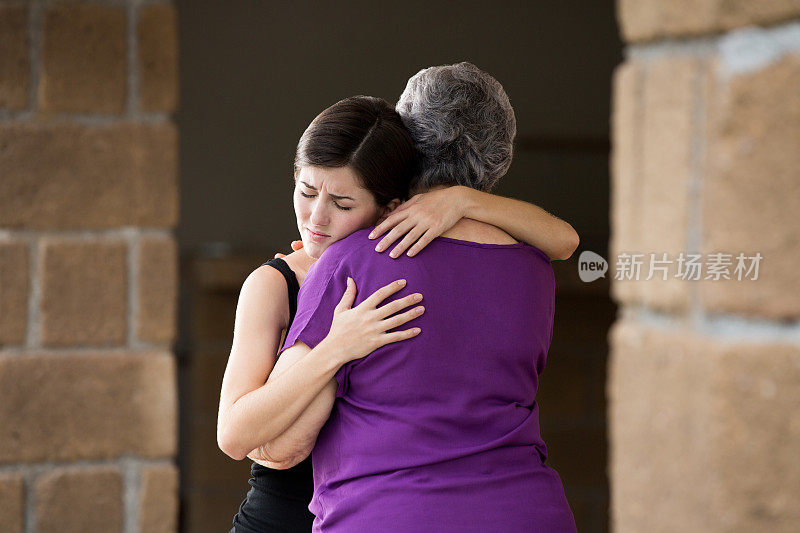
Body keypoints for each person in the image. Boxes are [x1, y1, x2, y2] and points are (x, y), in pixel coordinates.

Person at [218, 95, 578, 530]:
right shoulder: (276, 281)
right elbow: (244, 439)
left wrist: (459, 201)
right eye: (306, 192)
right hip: (281, 515)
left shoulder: (353, 266)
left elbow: (565, 240)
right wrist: (335, 347)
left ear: (392, 206)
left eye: (344, 205)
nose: (316, 217)